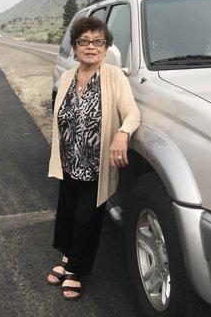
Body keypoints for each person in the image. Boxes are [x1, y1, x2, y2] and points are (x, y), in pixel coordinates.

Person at [46, 16, 141, 300]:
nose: (91, 47)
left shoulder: (114, 77)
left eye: (97, 41)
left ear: (106, 47)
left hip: (95, 165)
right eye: (84, 41)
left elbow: (132, 113)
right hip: (68, 161)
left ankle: (76, 270)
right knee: (66, 214)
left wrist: (122, 134)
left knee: (86, 217)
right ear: (75, 48)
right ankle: (67, 256)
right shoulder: (66, 77)